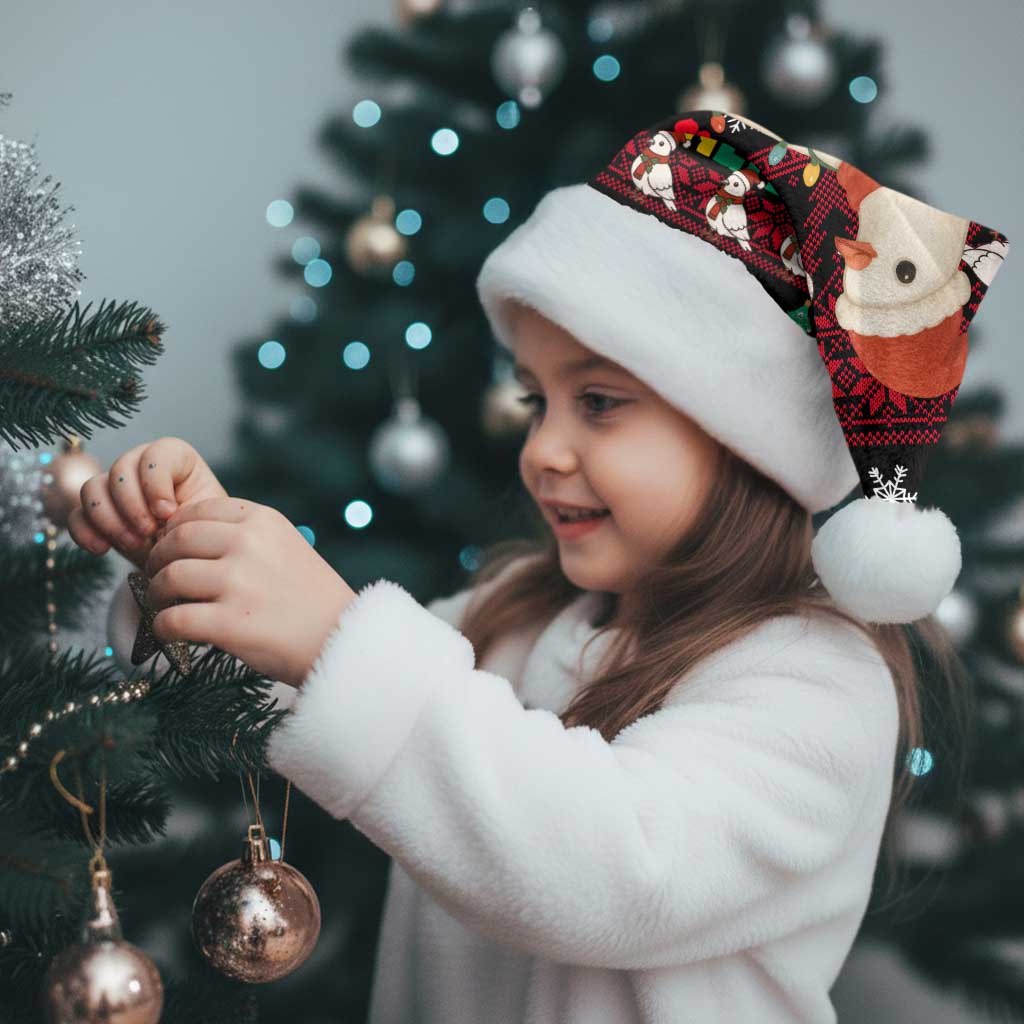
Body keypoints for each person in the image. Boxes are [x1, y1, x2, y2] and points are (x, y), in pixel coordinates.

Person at [73, 109, 1009, 1023]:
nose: (543, 451)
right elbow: (307, 691)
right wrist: (190, 566)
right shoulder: (515, 616)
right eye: (535, 402)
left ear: (747, 441)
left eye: (598, 403)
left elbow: (616, 871)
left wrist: (334, 636)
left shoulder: (819, 683)